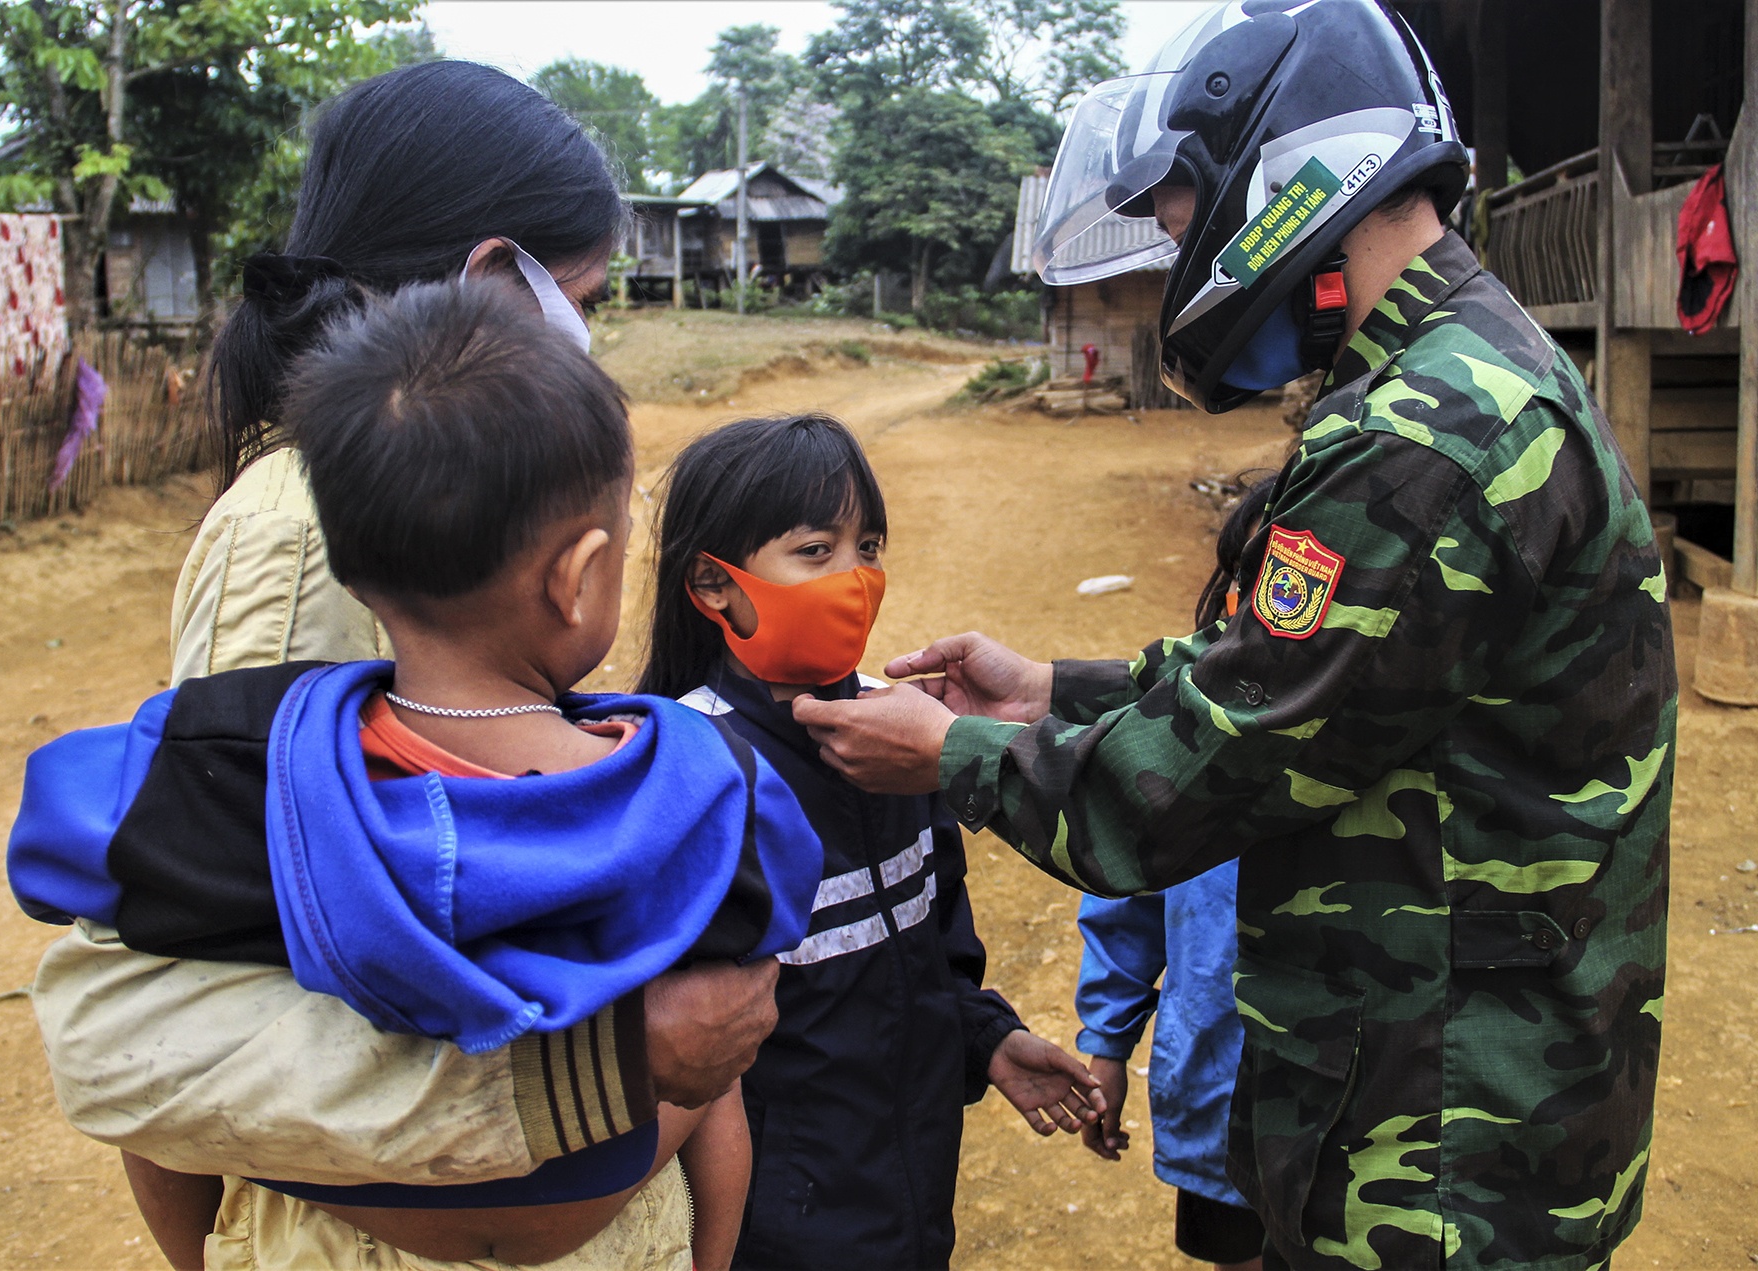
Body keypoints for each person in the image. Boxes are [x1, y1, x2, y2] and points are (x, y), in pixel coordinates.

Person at [794, 3, 1674, 1268]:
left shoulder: (1424, 437)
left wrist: (957, 755)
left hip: (1444, 1147)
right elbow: (1287, 675)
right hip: (1433, 1080)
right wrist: (1052, 690)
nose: (1176, 256)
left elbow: (1208, 776)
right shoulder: (1441, 371)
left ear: (1284, 181)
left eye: (1174, 223)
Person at [21, 61, 780, 1269]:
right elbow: (215, 971)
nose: (590, 342)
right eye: (584, 298)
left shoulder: (436, 503)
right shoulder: (297, 529)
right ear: (488, 286)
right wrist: (612, 1078)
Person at [637, 414, 1107, 1269]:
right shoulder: (690, 772)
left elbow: (931, 938)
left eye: (869, 547)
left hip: (912, 1196)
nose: (855, 578)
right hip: (777, 1229)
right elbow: (682, 1052)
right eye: (815, 550)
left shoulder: (902, 739)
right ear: (712, 583)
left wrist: (985, 1036)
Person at [1073, 480, 1276, 1271]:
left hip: (1357, 1109)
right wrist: (1105, 1041)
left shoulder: (1384, 734)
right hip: (1217, 1090)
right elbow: (1129, 892)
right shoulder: (1180, 729)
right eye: (1256, 576)